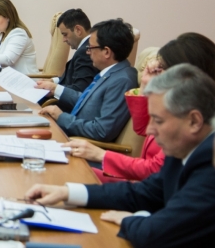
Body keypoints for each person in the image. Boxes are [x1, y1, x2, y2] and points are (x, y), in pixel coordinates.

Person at [26, 64, 215, 248]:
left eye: (158, 121)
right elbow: (145, 193)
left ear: (194, 121)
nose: (150, 130)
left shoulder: (209, 166)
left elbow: (154, 234)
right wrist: (67, 192)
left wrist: (131, 219)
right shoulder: (185, 147)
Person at [65, 32, 215, 182]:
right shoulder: (178, 103)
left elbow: (155, 170)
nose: (157, 71)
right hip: (142, 181)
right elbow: (142, 127)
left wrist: (101, 155)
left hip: (146, 183)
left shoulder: (190, 118)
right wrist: (144, 85)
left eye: (162, 68)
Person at [39, 19, 137, 142]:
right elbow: (87, 101)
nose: (87, 52)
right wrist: (55, 90)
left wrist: (61, 117)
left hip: (80, 145)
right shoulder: (112, 72)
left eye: (90, 47)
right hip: (72, 136)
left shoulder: (122, 81)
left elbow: (102, 130)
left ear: (106, 52)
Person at [35, 8, 99, 112]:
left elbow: (80, 89)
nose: (64, 40)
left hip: (68, 110)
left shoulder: (85, 52)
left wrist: (54, 88)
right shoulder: (84, 48)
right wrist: (53, 81)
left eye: (65, 34)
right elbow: (74, 75)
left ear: (78, 30)